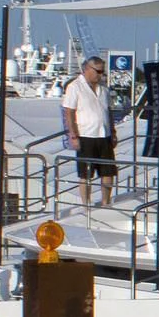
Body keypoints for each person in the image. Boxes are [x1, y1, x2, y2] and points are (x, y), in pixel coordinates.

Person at [60, 55, 117, 207]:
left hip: (104, 134)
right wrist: (73, 135)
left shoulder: (103, 89)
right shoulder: (75, 87)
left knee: (108, 172)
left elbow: (109, 111)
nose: (100, 75)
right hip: (86, 135)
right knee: (86, 174)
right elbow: (69, 112)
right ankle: (86, 204)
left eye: (102, 72)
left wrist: (113, 132)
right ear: (87, 69)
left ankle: (106, 202)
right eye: (98, 71)